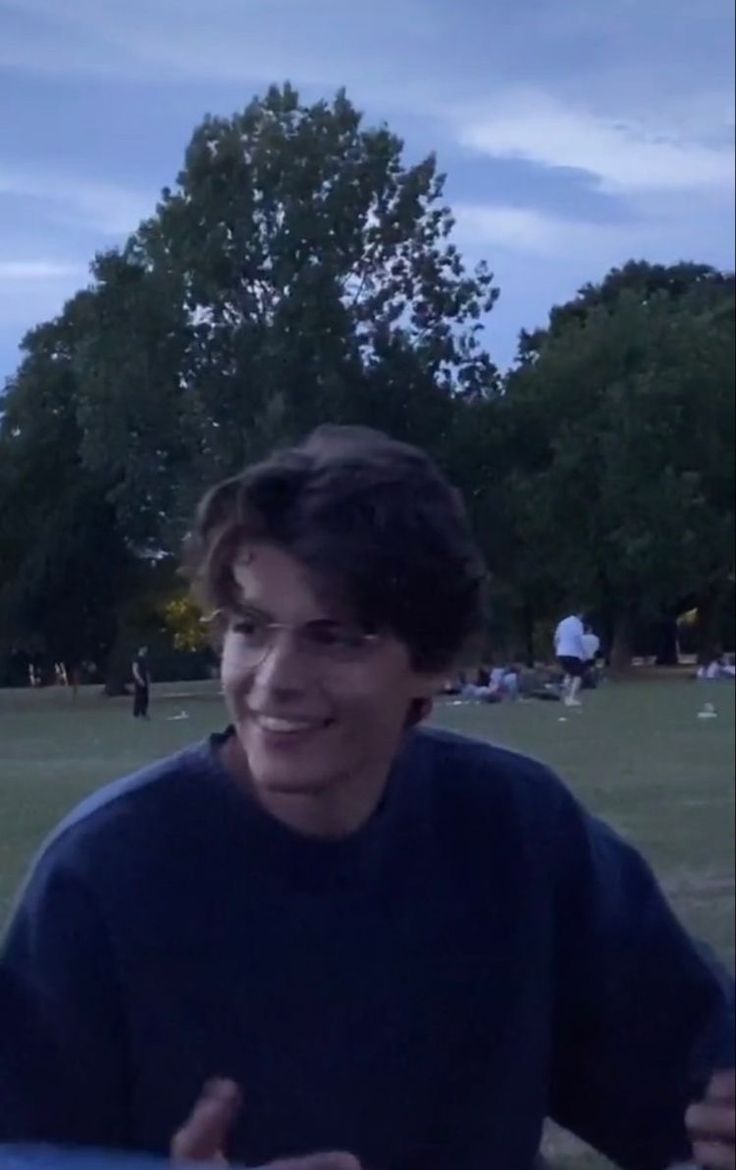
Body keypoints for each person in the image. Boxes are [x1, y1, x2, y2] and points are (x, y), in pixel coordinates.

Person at [0, 426, 733, 1170]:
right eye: (251, 628)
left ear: (434, 663)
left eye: (336, 637)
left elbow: (689, 1062)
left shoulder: (514, 830)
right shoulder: (102, 879)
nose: (274, 677)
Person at [553, 610, 587, 707]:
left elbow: (556, 638)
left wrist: (557, 649)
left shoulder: (563, 622)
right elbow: (579, 639)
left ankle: (564, 695)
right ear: (580, 615)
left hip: (561, 652)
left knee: (568, 673)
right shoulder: (578, 624)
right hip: (573, 653)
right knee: (578, 675)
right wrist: (583, 653)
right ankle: (571, 698)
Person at [131, 647, 151, 720]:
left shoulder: (145, 659)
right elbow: (134, 669)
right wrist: (139, 679)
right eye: (144, 648)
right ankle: (136, 713)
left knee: (145, 697)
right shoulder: (136, 658)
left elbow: (147, 671)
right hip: (139, 680)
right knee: (138, 697)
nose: (145, 650)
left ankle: (144, 712)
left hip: (145, 679)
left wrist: (148, 680)